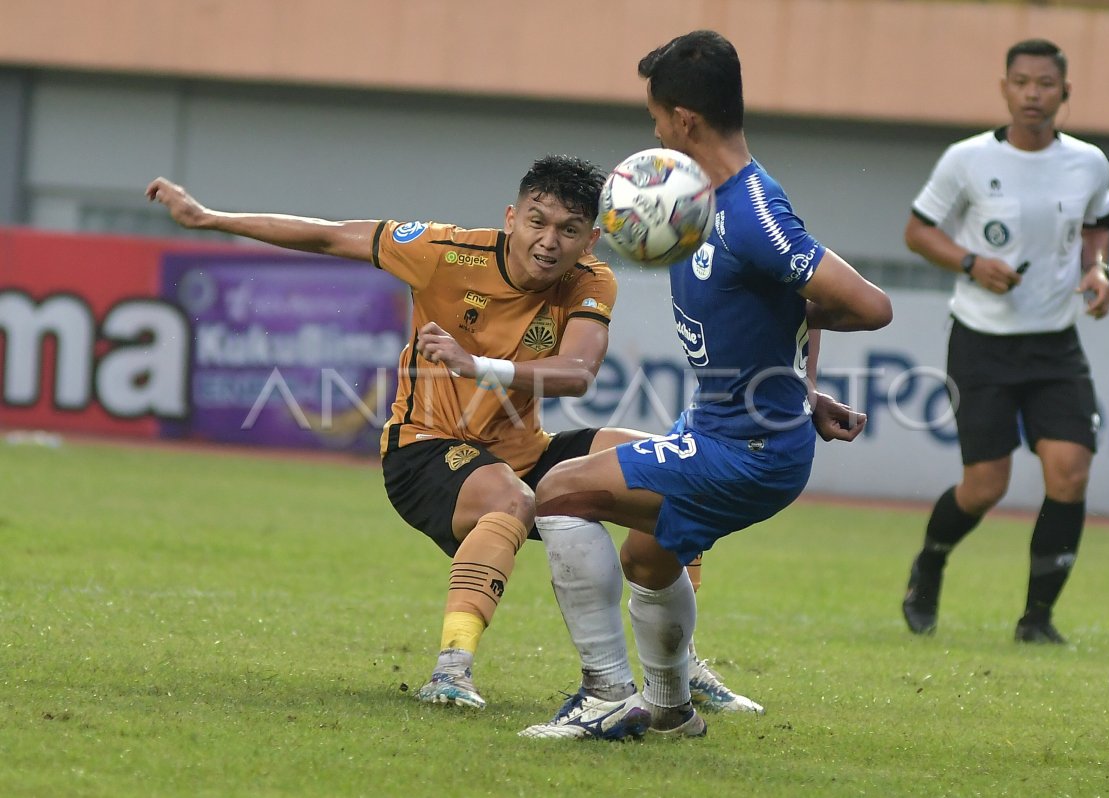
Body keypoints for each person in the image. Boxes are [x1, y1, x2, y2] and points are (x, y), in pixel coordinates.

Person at [144, 156, 765, 724]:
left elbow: (577, 373)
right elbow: (328, 234)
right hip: (424, 447)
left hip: (523, 448)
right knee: (510, 501)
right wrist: (208, 218)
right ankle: (451, 669)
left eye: (569, 229)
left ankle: (679, 667)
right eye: (537, 221)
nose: (549, 242)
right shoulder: (442, 251)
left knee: (669, 471)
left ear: (592, 239)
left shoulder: (591, 281)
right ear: (510, 218)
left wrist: (476, 365)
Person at [520, 30, 892, 739]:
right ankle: (671, 712)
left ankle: (604, 695)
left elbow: (869, 304)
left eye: (657, 117)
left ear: (685, 120)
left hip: (748, 450)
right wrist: (803, 392)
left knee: (560, 489)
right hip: (725, 428)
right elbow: (787, 307)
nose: (654, 131)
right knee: (648, 558)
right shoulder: (699, 200)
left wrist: (792, 383)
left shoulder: (752, 211)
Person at [900, 38, 1109, 645]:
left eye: (1045, 84)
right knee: (985, 486)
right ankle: (931, 562)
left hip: (1055, 345)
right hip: (981, 343)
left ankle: (1037, 619)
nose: (1032, 94)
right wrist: (970, 262)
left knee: (1069, 472)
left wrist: (1097, 272)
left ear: (1064, 92)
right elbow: (918, 231)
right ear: (1004, 88)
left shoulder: (1089, 163)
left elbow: (1100, 222)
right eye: (1021, 82)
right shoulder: (966, 159)